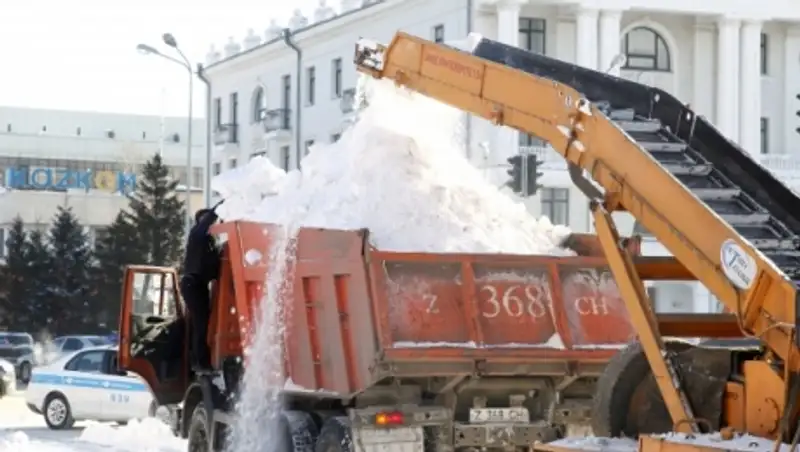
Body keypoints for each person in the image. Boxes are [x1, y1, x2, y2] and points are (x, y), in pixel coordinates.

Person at [180, 203, 222, 371]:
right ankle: (201, 362)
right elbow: (206, 223)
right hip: (193, 284)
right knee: (201, 323)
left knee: (204, 323)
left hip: (199, 285)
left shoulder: (208, 242)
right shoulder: (197, 234)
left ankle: (202, 360)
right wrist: (220, 206)